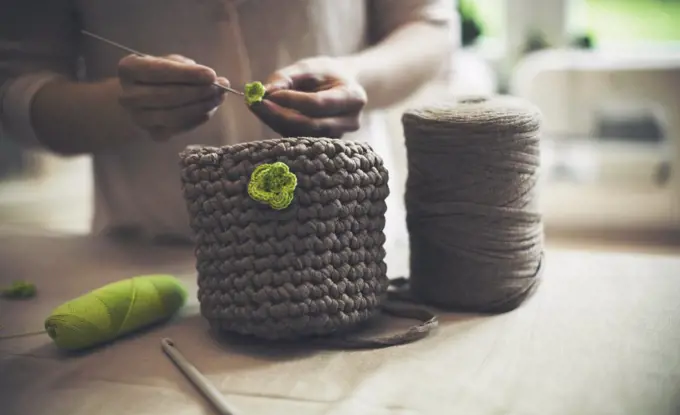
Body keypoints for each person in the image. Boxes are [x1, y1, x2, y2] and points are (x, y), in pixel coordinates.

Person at [0, 0, 456, 246]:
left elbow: (430, 24)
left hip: (345, 245)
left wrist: (361, 78)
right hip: (147, 250)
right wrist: (120, 106)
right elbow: (18, 87)